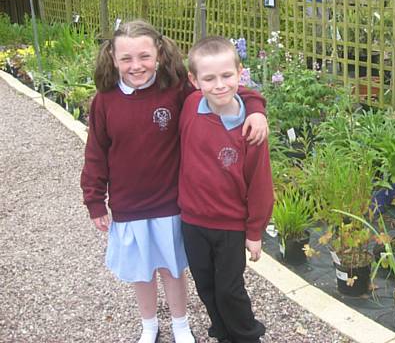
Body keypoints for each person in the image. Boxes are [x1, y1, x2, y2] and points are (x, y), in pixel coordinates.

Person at [80, 20, 268, 343]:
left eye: (144, 56)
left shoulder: (175, 88)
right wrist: (94, 199)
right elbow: (96, 152)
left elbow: (222, 89)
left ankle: (181, 325)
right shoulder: (104, 101)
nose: (136, 66)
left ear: (158, 52)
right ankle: (149, 325)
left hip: (171, 203)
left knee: (171, 268)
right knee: (142, 272)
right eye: (126, 59)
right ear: (112, 57)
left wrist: (256, 108)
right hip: (128, 204)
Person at [179, 36, 274, 343]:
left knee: (230, 289)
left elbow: (260, 182)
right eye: (209, 78)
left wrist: (255, 230)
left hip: (230, 225)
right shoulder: (191, 105)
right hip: (193, 221)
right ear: (194, 81)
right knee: (205, 286)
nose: (219, 85)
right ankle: (224, 333)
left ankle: (248, 336)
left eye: (226, 76)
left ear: (240, 72)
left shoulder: (250, 128)